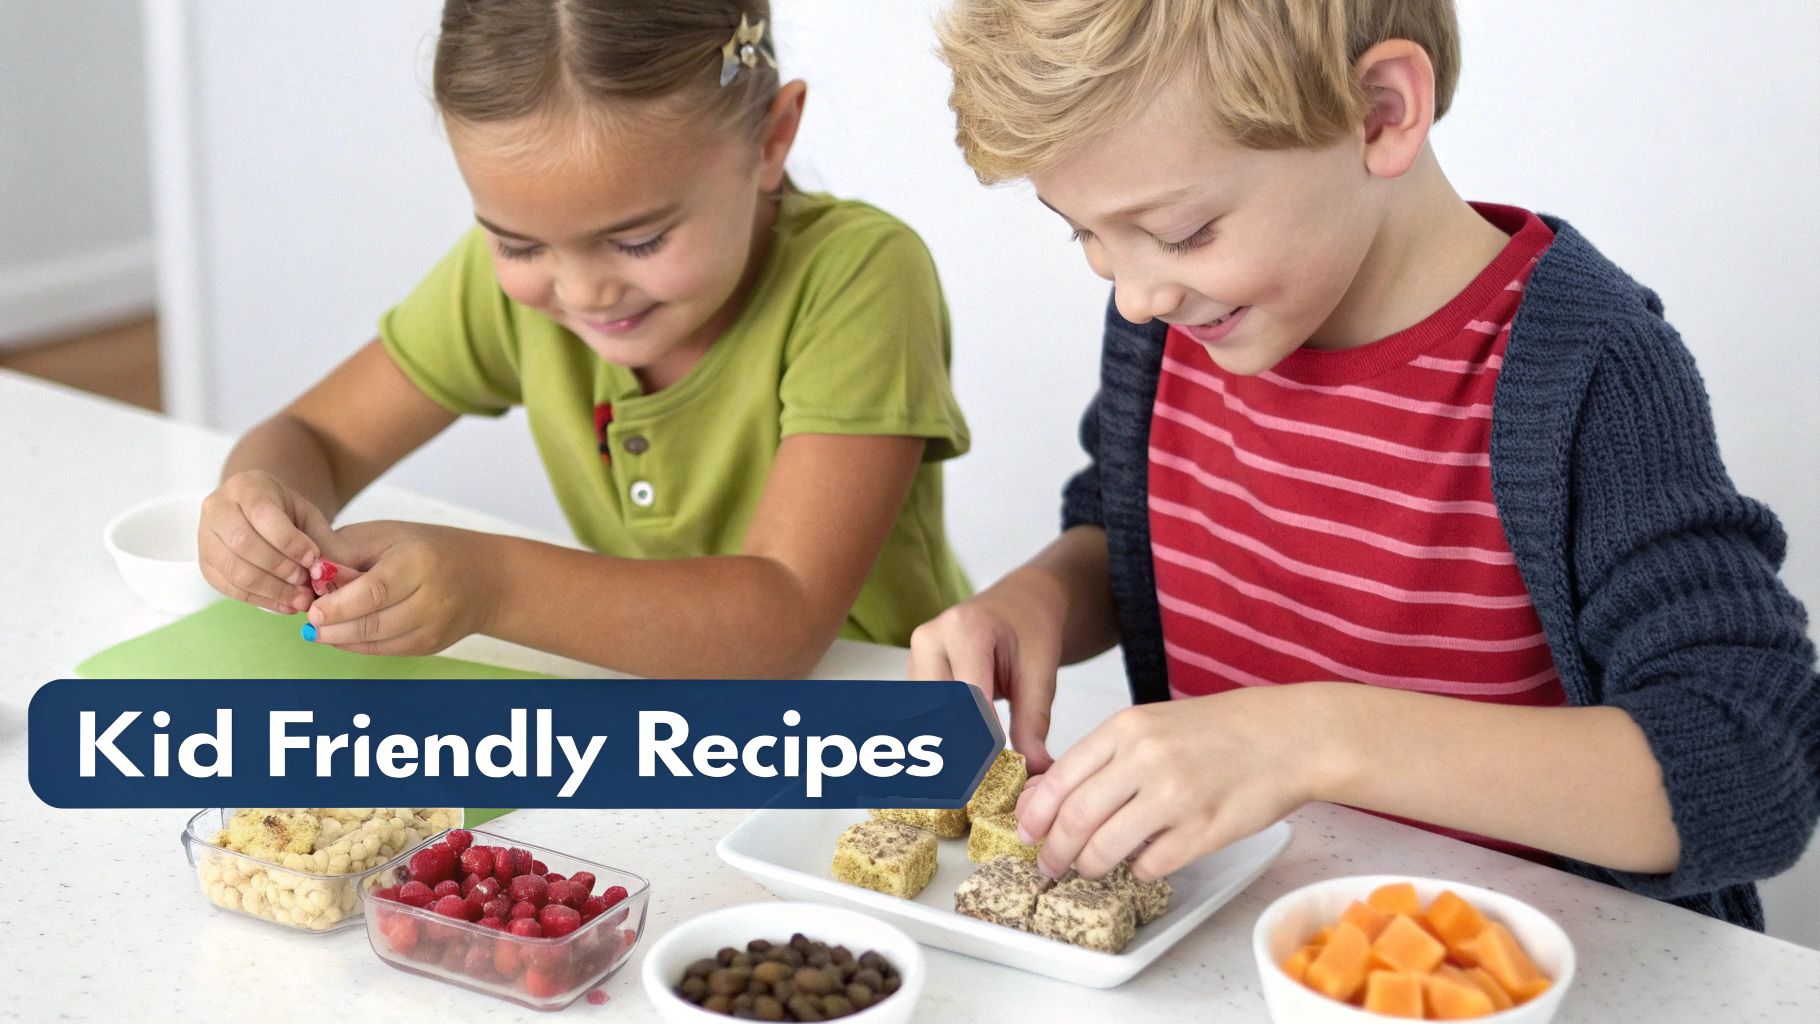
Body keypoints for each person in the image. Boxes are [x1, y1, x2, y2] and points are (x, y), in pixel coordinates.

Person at [913, 0, 1819, 928]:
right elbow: (1127, 528)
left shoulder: (1583, 369)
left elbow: (1754, 758)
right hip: (1239, 954)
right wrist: (1037, 604)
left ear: (1382, 111)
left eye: (1182, 231)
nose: (1137, 294)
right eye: (1086, 233)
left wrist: (1311, 739)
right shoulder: (1180, 329)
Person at [199, 0, 970, 677]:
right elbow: (314, 437)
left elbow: (783, 618)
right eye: (520, 246)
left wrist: (489, 583)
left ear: (772, 138)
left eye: (637, 242)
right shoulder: (509, 293)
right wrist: (261, 506)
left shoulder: (861, 277)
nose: (581, 292)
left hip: (878, 730)